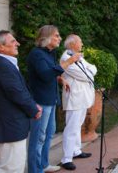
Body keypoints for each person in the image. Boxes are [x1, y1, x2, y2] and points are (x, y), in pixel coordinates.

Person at [28, 25, 79, 173]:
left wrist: (60, 79)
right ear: (46, 37)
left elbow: (50, 71)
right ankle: (35, 169)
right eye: (56, 36)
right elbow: (44, 74)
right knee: (39, 137)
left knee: (49, 133)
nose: (60, 38)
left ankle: (43, 164)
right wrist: (69, 62)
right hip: (40, 100)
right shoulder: (36, 54)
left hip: (51, 98)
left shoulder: (50, 52)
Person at [0, 30, 42, 172]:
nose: (18, 43)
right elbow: (16, 92)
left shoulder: (4, 63)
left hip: (8, 126)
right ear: (0, 46)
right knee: (11, 168)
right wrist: (34, 109)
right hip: (10, 128)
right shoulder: (2, 65)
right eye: (12, 41)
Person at [60, 35, 97, 170]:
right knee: (71, 127)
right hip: (74, 98)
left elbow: (93, 68)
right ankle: (66, 158)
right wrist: (89, 72)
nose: (82, 43)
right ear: (73, 44)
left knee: (78, 125)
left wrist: (90, 71)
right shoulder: (66, 58)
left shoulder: (77, 55)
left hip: (82, 98)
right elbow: (85, 75)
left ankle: (76, 151)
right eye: (80, 41)